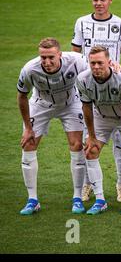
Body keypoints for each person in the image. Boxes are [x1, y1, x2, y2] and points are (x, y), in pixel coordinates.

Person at [71, 0, 121, 203]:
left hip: (114, 82)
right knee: (90, 142)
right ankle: (88, 185)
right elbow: (76, 52)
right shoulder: (82, 22)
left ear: (110, 0)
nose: (98, 3)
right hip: (91, 85)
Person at [17, 38, 87, 215]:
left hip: (71, 103)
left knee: (77, 145)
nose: (47, 62)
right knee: (28, 144)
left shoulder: (77, 60)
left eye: (51, 57)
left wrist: (115, 66)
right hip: (40, 105)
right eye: (43, 57)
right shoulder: (29, 69)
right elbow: (22, 96)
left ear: (60, 54)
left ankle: (77, 197)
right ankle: (32, 199)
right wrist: (27, 127)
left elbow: (99, 66)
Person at [76, 46, 121, 215]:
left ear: (109, 62)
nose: (96, 67)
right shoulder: (82, 79)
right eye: (92, 63)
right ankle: (100, 200)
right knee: (90, 151)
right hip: (101, 117)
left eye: (100, 63)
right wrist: (92, 136)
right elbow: (87, 108)